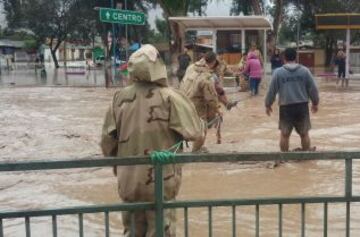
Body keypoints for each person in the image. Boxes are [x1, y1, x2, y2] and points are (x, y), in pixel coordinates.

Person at [100, 44, 204, 237]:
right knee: (161, 230)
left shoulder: (119, 98)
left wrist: (119, 164)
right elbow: (196, 133)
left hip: (128, 181)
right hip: (161, 181)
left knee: (132, 231)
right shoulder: (170, 97)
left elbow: (107, 143)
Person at [265, 48, 319, 152]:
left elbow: (271, 90)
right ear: (296, 57)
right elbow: (313, 89)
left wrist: (268, 104)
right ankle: (306, 156)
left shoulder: (278, 72)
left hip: (285, 107)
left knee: (285, 135)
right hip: (302, 106)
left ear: (284, 58)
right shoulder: (305, 71)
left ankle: (284, 158)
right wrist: (315, 103)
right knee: (304, 133)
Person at [180, 51, 221, 148]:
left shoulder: (191, 67)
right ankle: (196, 151)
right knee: (202, 128)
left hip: (183, 101)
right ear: (214, 61)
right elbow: (211, 98)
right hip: (197, 105)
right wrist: (218, 109)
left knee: (185, 126)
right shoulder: (206, 77)